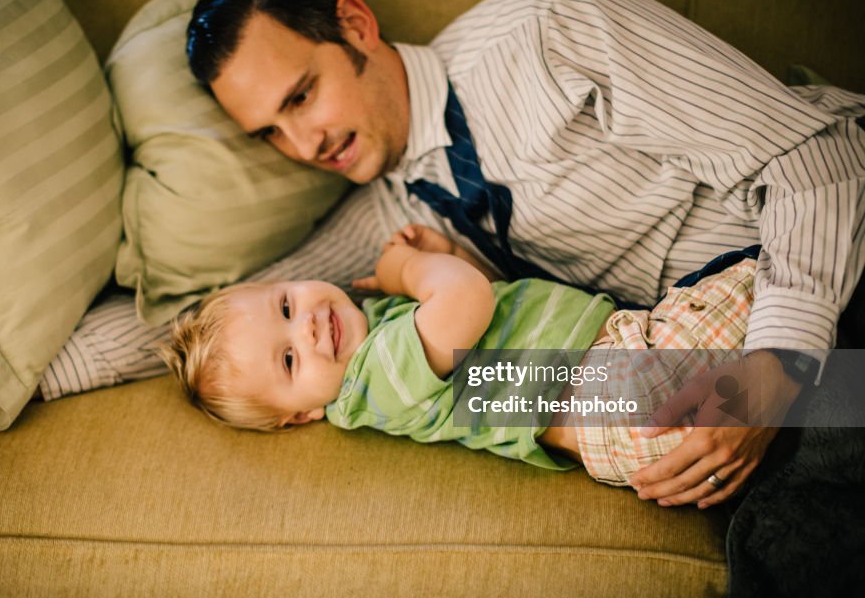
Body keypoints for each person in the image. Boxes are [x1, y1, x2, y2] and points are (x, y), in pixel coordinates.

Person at [184, 0, 865, 507]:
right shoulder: (382, 219)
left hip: (827, 248)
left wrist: (779, 363)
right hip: (693, 354)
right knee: (784, 527)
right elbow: (216, 316)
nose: (303, 145)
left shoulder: (546, 28)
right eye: (270, 132)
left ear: (356, 25)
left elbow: (819, 154)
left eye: (301, 96)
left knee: (818, 445)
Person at [166, 224, 772, 492]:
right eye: (290, 361)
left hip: (618, 424)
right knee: (770, 276)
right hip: (616, 387)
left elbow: (489, 317)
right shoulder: (376, 381)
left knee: (821, 390)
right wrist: (404, 269)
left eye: (284, 306)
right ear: (301, 416)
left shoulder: (388, 339)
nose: (309, 329)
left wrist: (449, 253)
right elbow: (468, 299)